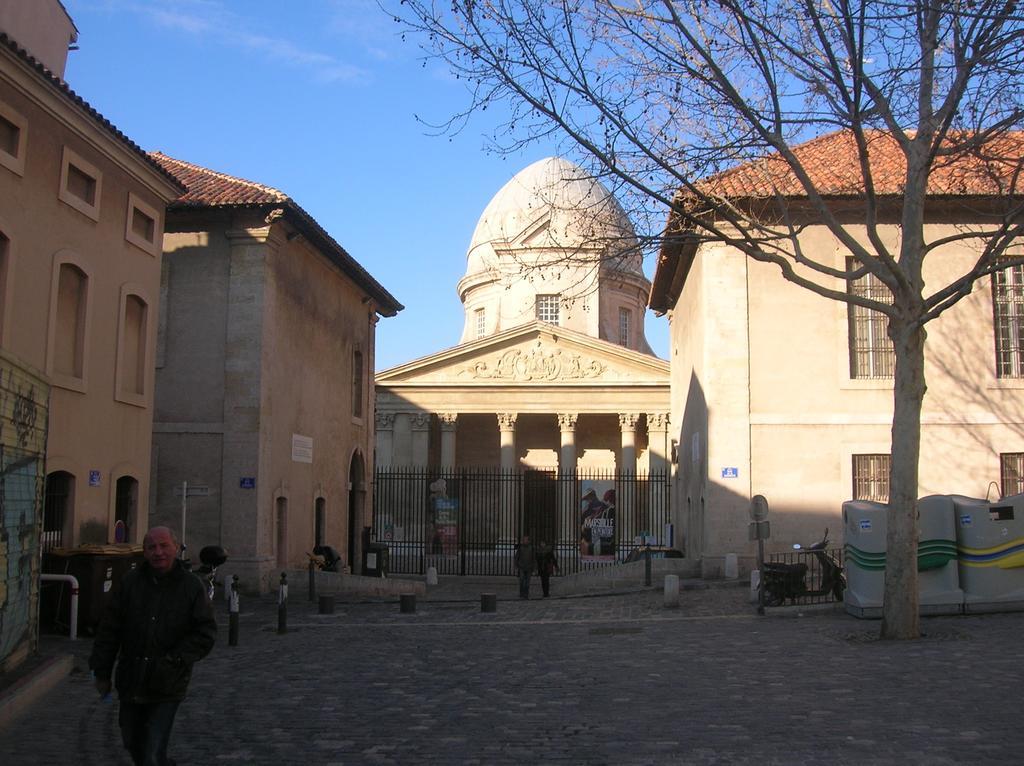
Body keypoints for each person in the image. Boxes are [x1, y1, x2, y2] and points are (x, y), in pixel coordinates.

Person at [89, 526, 217, 766]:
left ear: (176, 548)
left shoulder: (191, 586)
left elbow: (206, 632)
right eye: (152, 547)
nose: (158, 552)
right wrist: (102, 672)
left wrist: (175, 660)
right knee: (132, 742)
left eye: (164, 546)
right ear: (145, 552)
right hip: (132, 678)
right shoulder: (131, 583)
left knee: (152, 749)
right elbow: (109, 630)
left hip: (167, 682)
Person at [513, 534, 535, 599]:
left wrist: (534, 567)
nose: (524, 541)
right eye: (523, 540)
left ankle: (526, 594)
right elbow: (517, 557)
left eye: (525, 540)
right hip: (521, 566)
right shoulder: (520, 548)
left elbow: (533, 558)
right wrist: (516, 565)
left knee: (527, 582)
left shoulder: (531, 548)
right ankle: (521, 593)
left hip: (529, 567)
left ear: (528, 541)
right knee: (522, 580)